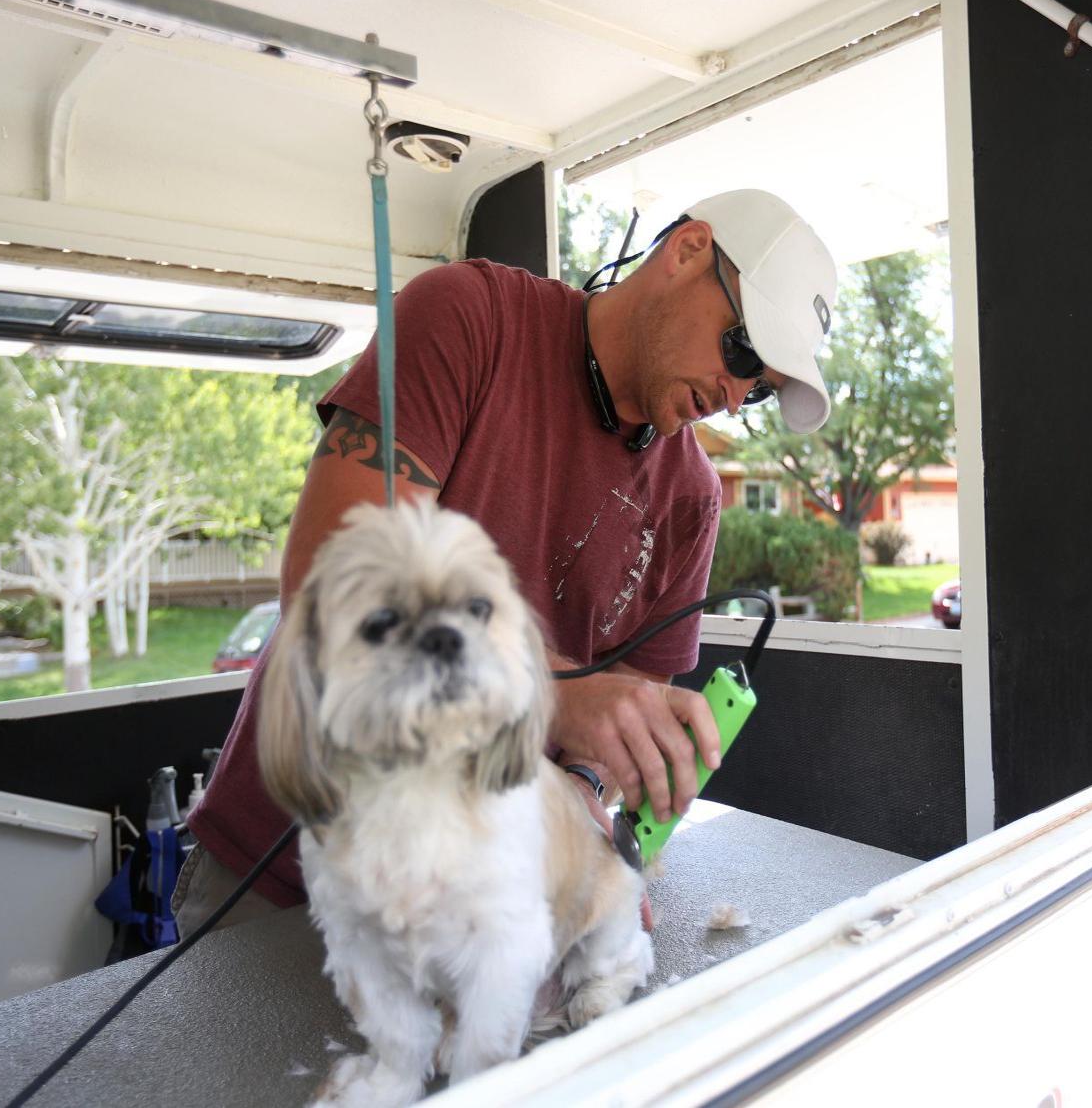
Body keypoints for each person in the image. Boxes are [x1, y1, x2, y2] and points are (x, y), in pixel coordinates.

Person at [176, 188, 838, 935]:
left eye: (760, 390)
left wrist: (583, 793)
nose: (733, 396)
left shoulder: (691, 498)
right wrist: (553, 691)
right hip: (287, 870)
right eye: (741, 350)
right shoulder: (469, 317)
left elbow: (615, 725)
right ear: (687, 251)